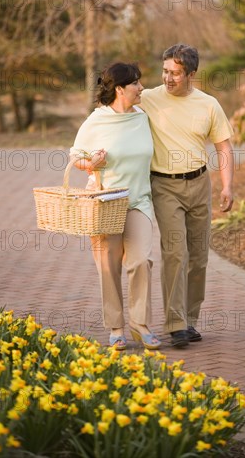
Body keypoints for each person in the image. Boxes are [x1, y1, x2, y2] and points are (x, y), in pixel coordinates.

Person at [140, 44, 234, 348]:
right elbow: (115, 107)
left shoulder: (209, 105)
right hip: (164, 185)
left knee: (199, 257)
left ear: (191, 74)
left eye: (175, 73)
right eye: (165, 71)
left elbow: (224, 147)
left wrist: (228, 186)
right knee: (175, 253)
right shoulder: (149, 98)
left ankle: (190, 320)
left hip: (199, 184)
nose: (167, 78)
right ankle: (176, 323)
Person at [70, 62, 161, 351]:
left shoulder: (143, 117)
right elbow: (76, 158)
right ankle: (116, 327)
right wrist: (91, 164)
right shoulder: (97, 120)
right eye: (136, 83)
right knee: (108, 268)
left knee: (141, 261)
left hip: (139, 201)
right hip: (106, 203)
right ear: (120, 89)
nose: (141, 88)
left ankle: (140, 324)